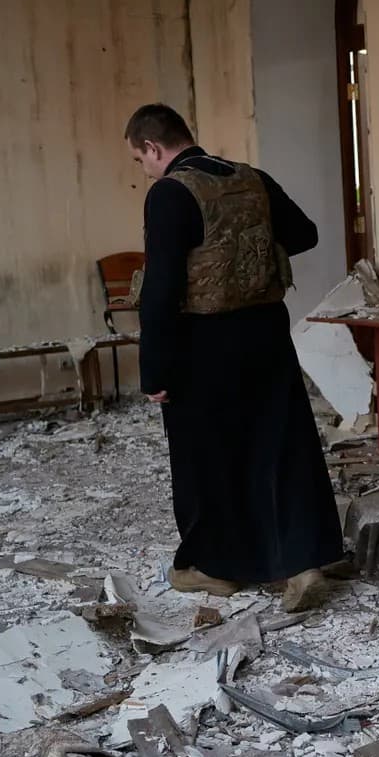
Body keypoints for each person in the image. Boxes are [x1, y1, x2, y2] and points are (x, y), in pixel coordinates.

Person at [126, 103, 343, 612]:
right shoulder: (251, 179)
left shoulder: (171, 193)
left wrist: (155, 369)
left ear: (154, 149)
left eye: (140, 159)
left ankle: (214, 567)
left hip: (203, 342)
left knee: (208, 455)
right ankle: (300, 562)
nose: (145, 170)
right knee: (279, 448)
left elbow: (160, 289)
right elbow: (305, 234)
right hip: (266, 331)